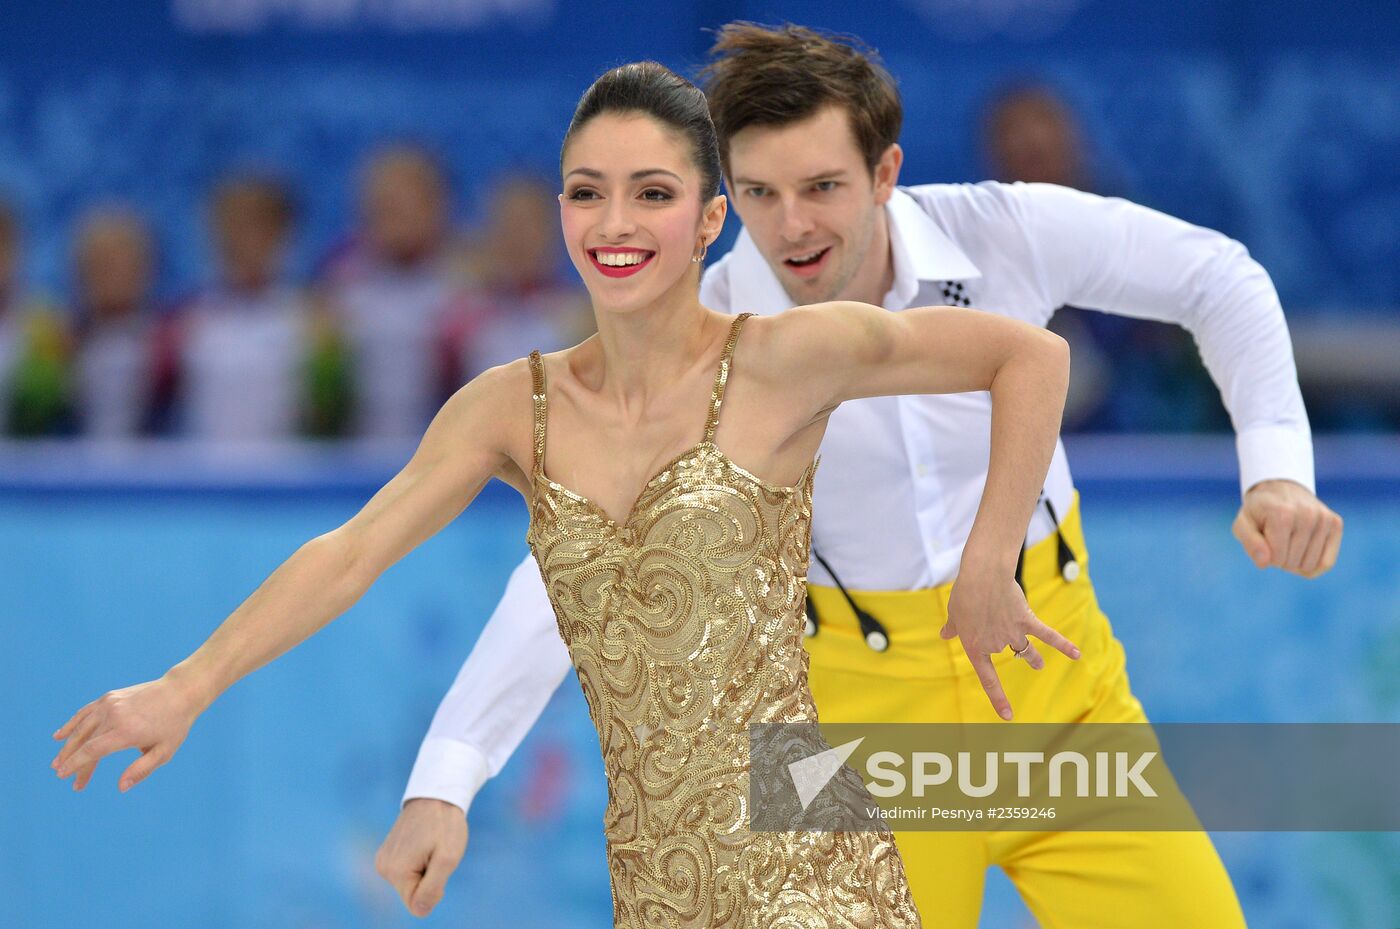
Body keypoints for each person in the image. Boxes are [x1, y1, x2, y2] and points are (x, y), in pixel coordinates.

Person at [50, 61, 1076, 928]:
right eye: (587, 192)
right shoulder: (510, 407)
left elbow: (1027, 357)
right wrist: (188, 684)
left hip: (813, 864)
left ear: (712, 219)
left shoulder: (783, 359)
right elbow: (351, 551)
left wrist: (988, 561)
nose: (614, 222)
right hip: (656, 881)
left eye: (652, 194)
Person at [375, 23, 1343, 929]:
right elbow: (568, 571)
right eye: (757, 193)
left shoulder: (1000, 230)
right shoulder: (694, 345)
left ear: (884, 172)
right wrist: (446, 777)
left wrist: (1275, 473)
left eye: (822, 187)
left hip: (1056, 685)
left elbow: (1220, 277)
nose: (790, 226)